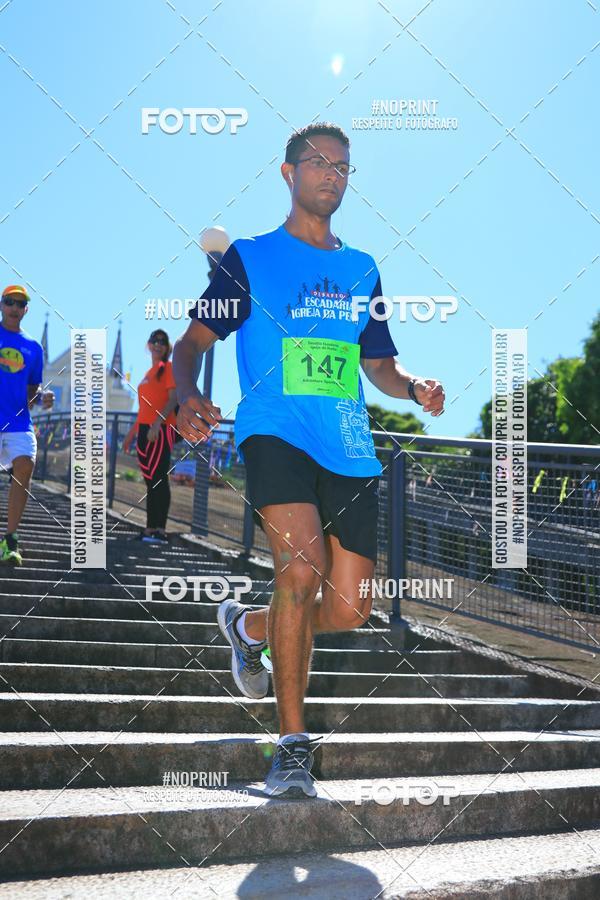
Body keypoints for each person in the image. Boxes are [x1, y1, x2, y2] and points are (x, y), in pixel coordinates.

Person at [173, 122, 445, 798]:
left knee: (350, 608)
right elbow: (193, 342)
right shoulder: (251, 257)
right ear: (288, 173)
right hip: (275, 430)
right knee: (300, 570)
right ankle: (292, 748)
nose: (333, 174)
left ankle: (249, 626)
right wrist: (183, 393)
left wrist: (411, 387)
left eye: (344, 167)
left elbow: (377, 363)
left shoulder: (362, 269)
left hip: (348, 445)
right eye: (318, 163)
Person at [0, 285, 54, 565]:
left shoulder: (34, 347)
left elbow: (32, 389)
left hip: (19, 421)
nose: (14, 308)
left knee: (25, 465)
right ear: (1, 304)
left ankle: (9, 540)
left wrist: (42, 396)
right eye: (10, 302)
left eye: (20, 304)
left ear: (26, 310)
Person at [123, 329, 178, 544]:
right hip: (145, 430)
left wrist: (157, 423)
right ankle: (149, 529)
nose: (158, 344)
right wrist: (131, 433)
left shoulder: (169, 369)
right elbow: (143, 409)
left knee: (159, 479)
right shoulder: (148, 373)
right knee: (150, 481)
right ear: (148, 345)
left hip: (161, 429)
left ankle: (159, 531)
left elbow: (173, 399)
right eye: (154, 341)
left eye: (162, 341)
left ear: (167, 347)